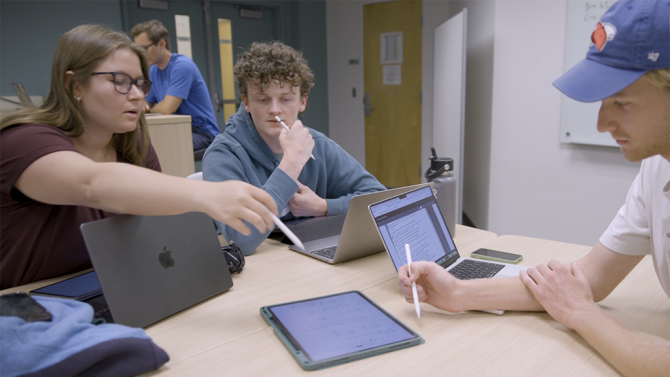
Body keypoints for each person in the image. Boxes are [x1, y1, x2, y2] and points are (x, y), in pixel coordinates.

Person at [398, 1, 670, 376]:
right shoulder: (657, 167)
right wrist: (459, 293)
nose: (603, 122)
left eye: (621, 102)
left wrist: (582, 313)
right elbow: (587, 279)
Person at [0, 24, 277, 290]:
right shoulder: (23, 141)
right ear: (75, 86)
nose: (136, 96)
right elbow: (92, 185)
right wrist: (205, 193)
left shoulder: (134, 145)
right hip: (29, 306)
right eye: (120, 81)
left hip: (117, 289)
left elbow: (154, 230)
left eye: (140, 84)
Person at [202, 41, 386, 255]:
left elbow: (380, 200)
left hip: (306, 259)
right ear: (246, 102)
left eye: (286, 99)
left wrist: (324, 207)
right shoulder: (223, 154)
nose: (274, 110)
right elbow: (240, 240)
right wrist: (291, 163)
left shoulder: (318, 144)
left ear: (302, 102)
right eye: (262, 99)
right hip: (255, 273)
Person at [130, 19, 219, 151]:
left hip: (202, 133)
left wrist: (151, 108)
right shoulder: (153, 70)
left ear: (161, 43)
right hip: (175, 129)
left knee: (158, 146)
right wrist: (148, 106)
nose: (141, 54)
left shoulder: (182, 66)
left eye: (144, 48)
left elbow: (166, 109)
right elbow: (146, 104)